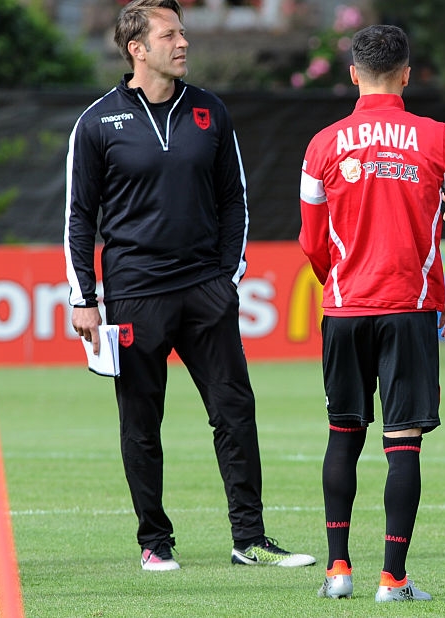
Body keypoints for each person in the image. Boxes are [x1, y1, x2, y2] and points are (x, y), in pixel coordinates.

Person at [64, 0, 314, 572]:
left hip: (205, 289)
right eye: (169, 35)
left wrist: (228, 277)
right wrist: (83, 297)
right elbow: (79, 217)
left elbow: (235, 200)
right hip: (133, 294)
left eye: (183, 32)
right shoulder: (97, 122)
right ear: (136, 48)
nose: (183, 43)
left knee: (235, 411)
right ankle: (155, 542)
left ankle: (250, 539)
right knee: (140, 423)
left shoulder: (210, 110)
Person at [299, 24, 445, 602]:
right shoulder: (437, 138)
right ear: (407, 75)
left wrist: (339, 284)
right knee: (402, 442)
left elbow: (310, 241)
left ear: (353, 74)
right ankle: (393, 579)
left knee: (343, 435)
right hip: (409, 309)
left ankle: (338, 572)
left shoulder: (323, 143)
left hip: (346, 308)